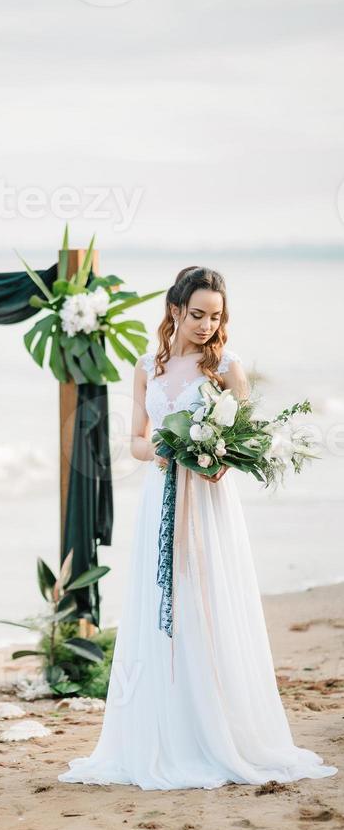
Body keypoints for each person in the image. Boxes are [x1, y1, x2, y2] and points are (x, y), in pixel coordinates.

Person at [58, 266, 337, 791]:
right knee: (161, 600)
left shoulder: (227, 369)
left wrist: (212, 454)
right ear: (175, 311)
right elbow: (136, 442)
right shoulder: (147, 367)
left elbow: (243, 441)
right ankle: (165, 730)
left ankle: (216, 727)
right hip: (160, 497)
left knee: (206, 600)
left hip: (208, 503)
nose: (207, 324)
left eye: (216, 316)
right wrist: (166, 447)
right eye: (198, 314)